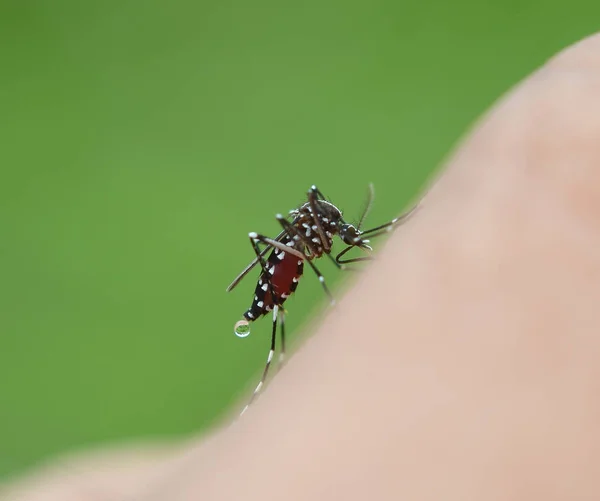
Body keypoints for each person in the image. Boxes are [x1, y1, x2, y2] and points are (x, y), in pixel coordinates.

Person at [4, 33, 600, 501]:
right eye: (346, 233)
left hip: (290, 256)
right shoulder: (310, 243)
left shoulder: (328, 231)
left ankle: (276, 337)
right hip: (283, 263)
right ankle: (273, 349)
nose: (347, 239)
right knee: (295, 266)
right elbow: (317, 242)